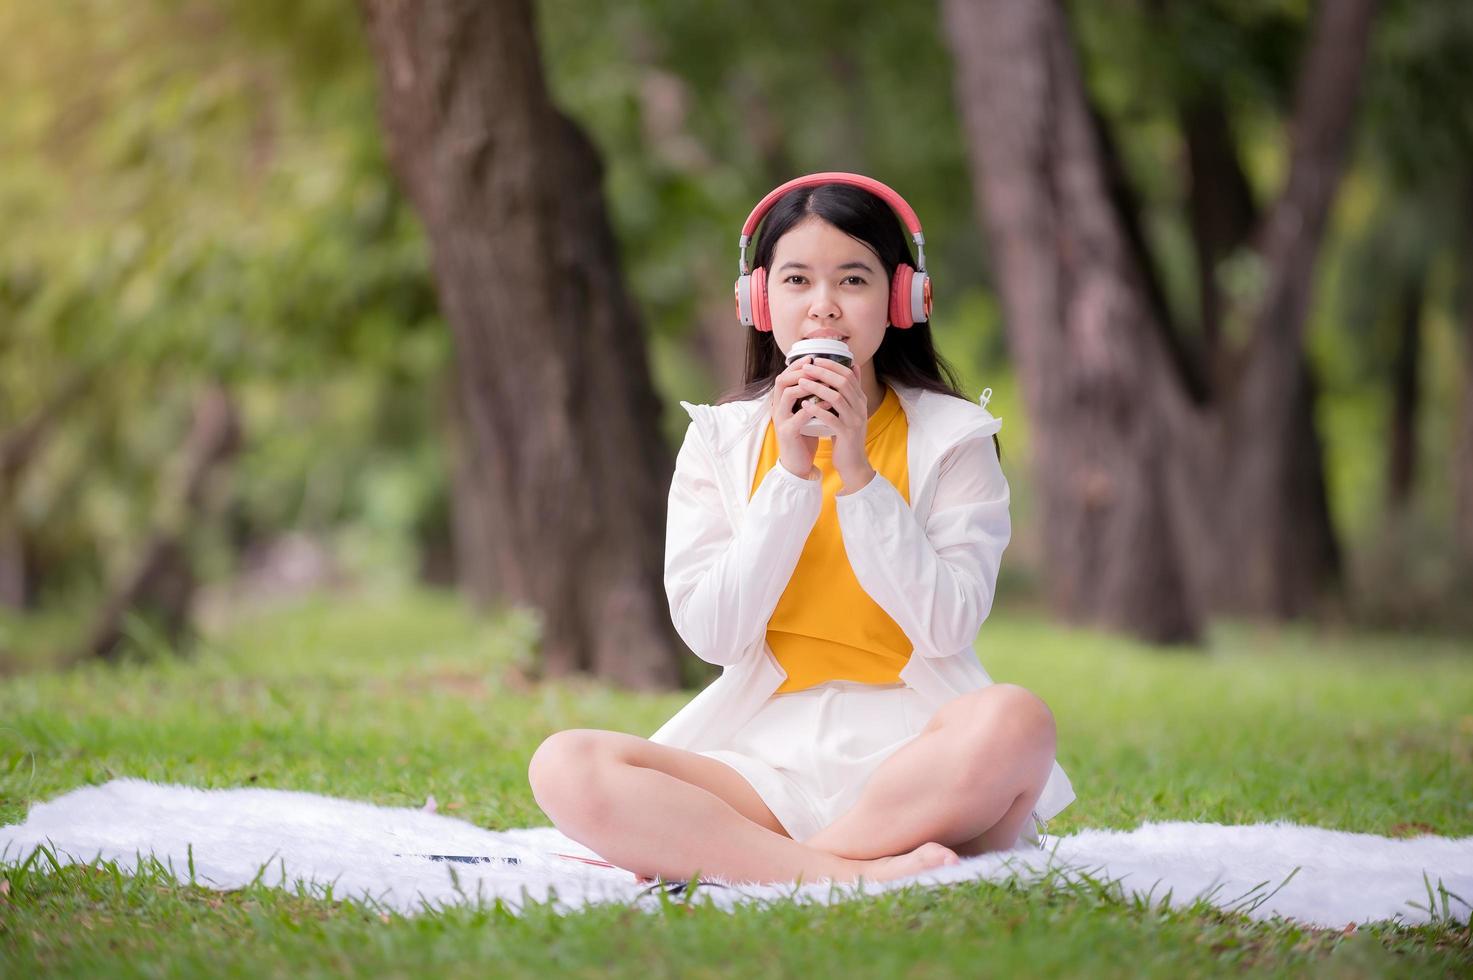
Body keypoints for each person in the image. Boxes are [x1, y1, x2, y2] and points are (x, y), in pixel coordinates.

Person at [529, 173, 1075, 888]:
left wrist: (857, 477)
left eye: (852, 279)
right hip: (761, 766)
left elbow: (946, 626)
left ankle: (771, 866)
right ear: (758, 301)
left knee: (1017, 720)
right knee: (566, 764)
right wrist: (789, 476)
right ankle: (848, 873)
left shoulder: (955, 438)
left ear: (903, 297)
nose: (823, 308)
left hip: (922, 760)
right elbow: (714, 636)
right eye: (795, 281)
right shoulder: (719, 442)